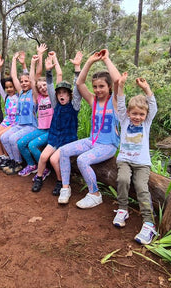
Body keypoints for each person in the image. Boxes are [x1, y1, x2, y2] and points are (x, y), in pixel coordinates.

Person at [57, 49, 121, 208]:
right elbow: (79, 83)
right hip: (92, 141)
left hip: (108, 146)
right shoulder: (93, 101)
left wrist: (106, 59)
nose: (98, 90)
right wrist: (90, 61)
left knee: (82, 160)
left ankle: (95, 193)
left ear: (109, 87)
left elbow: (118, 80)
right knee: (64, 151)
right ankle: (65, 188)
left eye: (101, 86)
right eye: (95, 86)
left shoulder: (115, 101)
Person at [113, 74, 158, 245]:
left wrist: (146, 89)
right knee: (123, 179)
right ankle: (123, 209)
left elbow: (153, 106)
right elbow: (121, 102)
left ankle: (149, 223)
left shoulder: (146, 124)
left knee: (141, 186)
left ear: (146, 115)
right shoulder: (124, 120)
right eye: (134, 113)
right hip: (124, 159)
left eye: (141, 114)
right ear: (129, 113)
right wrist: (121, 85)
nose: (137, 117)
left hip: (142, 163)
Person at [31, 51, 82, 194]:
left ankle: (61, 181)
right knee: (43, 157)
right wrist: (48, 71)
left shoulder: (74, 105)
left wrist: (77, 68)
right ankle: (39, 177)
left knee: (54, 160)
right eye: (59, 93)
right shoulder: (55, 104)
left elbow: (77, 88)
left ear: (69, 95)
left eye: (64, 93)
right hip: (54, 137)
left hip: (68, 140)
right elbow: (49, 85)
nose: (61, 95)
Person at [0, 45, 47, 175]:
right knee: (4, 137)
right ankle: (13, 160)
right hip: (19, 124)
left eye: (26, 81)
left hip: (31, 125)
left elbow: (36, 75)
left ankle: (19, 163)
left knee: (13, 138)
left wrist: (38, 57)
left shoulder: (33, 93)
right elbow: (14, 76)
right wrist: (14, 60)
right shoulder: (20, 93)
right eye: (22, 81)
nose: (24, 83)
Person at [16, 53, 53, 177]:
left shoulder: (54, 98)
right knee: (21, 143)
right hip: (40, 129)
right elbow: (32, 80)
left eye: (44, 85)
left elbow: (55, 79)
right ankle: (32, 165)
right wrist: (32, 63)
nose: (42, 88)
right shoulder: (38, 97)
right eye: (40, 86)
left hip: (51, 131)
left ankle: (44, 169)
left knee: (32, 145)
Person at [0, 56, 19, 169]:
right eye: (7, 87)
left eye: (11, 87)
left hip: (15, 121)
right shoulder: (6, 96)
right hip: (7, 120)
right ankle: (2, 156)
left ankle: (8, 156)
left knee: (1, 135)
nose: (9, 89)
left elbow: (16, 78)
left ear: (15, 87)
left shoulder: (19, 96)